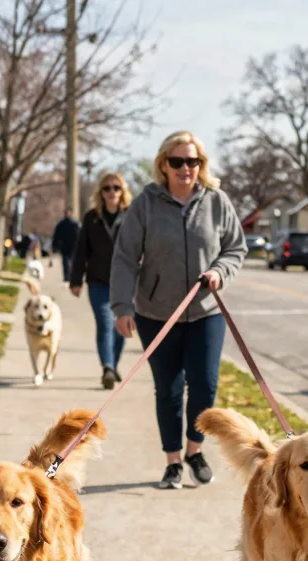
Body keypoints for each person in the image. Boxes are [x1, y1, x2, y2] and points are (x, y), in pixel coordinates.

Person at [111, 130, 248, 490]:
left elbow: (235, 248)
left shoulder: (216, 201)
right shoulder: (146, 203)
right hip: (156, 313)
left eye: (193, 161)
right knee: (168, 390)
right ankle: (173, 461)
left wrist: (219, 272)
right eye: (177, 161)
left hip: (205, 311)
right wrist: (122, 306)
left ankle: (194, 450)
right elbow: (125, 257)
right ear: (164, 165)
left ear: (201, 165)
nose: (185, 168)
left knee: (205, 386)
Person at [70, 172, 132, 389]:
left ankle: (113, 365)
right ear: (101, 193)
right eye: (107, 188)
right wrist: (75, 280)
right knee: (106, 323)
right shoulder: (91, 218)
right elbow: (81, 251)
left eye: (116, 188)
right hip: (98, 282)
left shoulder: (132, 216)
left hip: (126, 283)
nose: (112, 192)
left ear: (122, 191)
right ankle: (107, 367)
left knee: (121, 327)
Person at [51, 207, 80, 280]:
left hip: (72, 246)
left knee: (71, 262)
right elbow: (56, 236)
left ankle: (70, 276)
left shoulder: (75, 224)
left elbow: (79, 235)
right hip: (65, 246)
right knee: (66, 262)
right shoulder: (62, 224)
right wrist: (55, 245)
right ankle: (67, 276)